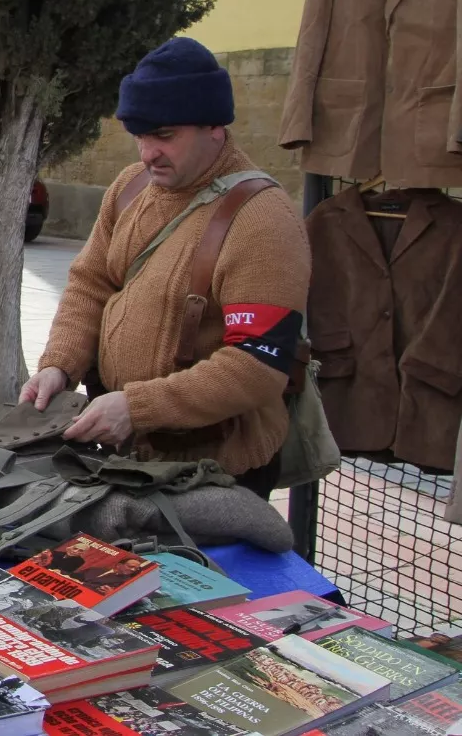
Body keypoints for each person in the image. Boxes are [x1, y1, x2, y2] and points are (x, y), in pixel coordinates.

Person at [21, 37, 310, 495]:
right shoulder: (130, 187)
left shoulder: (263, 219)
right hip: (124, 455)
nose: (146, 153)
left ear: (214, 127)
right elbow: (90, 282)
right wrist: (60, 365)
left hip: (216, 472)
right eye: (139, 134)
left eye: (164, 135)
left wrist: (136, 408)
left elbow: (256, 366)